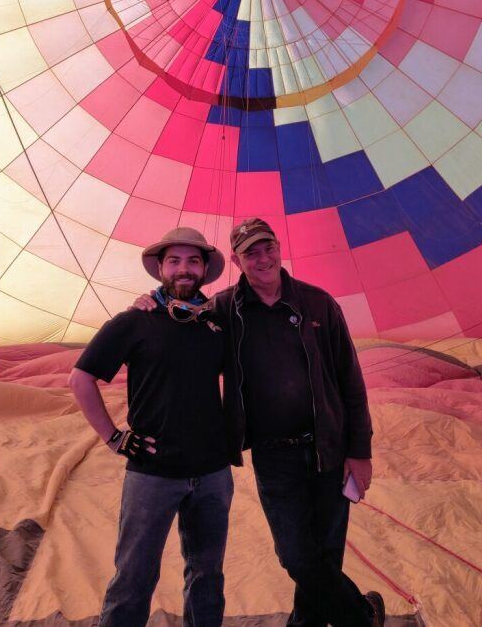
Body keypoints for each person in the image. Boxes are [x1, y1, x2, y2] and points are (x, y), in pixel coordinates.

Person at [136, 217, 384, 627]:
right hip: (274, 456)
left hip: (329, 447)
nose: (263, 258)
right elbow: (179, 317)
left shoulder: (319, 304)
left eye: (268, 247)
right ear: (236, 260)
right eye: (251, 252)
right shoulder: (224, 309)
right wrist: (149, 303)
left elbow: (350, 382)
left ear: (279, 248)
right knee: (295, 556)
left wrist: (360, 452)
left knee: (324, 555)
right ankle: (363, 616)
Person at [70, 226, 232, 627]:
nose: (184, 268)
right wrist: (114, 438)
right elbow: (80, 379)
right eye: (174, 261)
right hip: (152, 474)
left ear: (204, 269)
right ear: (160, 268)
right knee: (134, 577)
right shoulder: (134, 321)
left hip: (212, 473)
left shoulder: (219, 323)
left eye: (193, 260)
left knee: (207, 577)